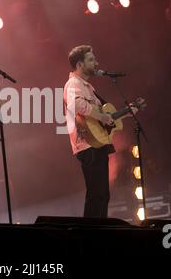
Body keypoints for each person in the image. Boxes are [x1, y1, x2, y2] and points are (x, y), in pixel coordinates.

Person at [64, 45, 137, 218]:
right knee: (96, 194)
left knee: (102, 194)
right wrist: (103, 117)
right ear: (80, 64)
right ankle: (90, 234)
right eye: (91, 60)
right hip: (87, 144)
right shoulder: (73, 83)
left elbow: (107, 116)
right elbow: (78, 105)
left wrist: (127, 113)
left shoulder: (88, 87)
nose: (96, 63)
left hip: (96, 142)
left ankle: (98, 230)